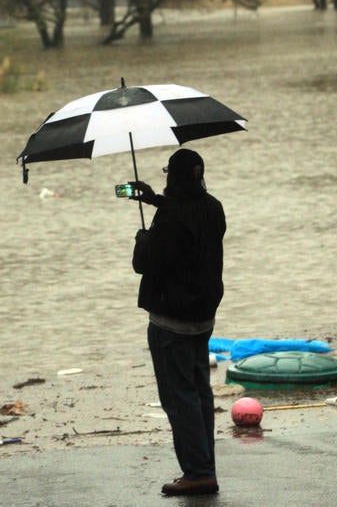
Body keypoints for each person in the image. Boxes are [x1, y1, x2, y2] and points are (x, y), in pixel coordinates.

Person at [129, 148, 225, 496]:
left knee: (179, 397)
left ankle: (198, 472)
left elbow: (146, 263)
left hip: (172, 322)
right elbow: (188, 220)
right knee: (199, 393)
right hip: (203, 318)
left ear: (173, 176)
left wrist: (143, 238)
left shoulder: (171, 218)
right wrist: (154, 200)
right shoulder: (213, 207)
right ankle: (205, 465)